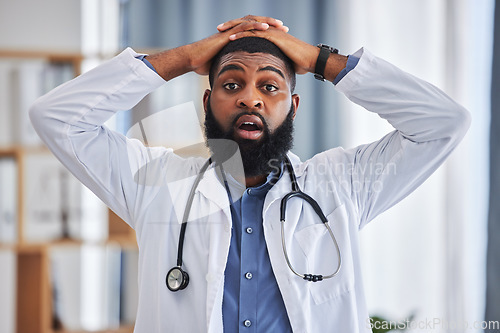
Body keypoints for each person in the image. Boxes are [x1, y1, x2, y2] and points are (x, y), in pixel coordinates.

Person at [30, 15, 470, 333]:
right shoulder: (158, 185)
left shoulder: (342, 185)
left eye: (270, 85)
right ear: (207, 103)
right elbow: (56, 118)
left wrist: (319, 60)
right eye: (231, 84)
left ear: (292, 107)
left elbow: (443, 123)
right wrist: (183, 58)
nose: (251, 99)